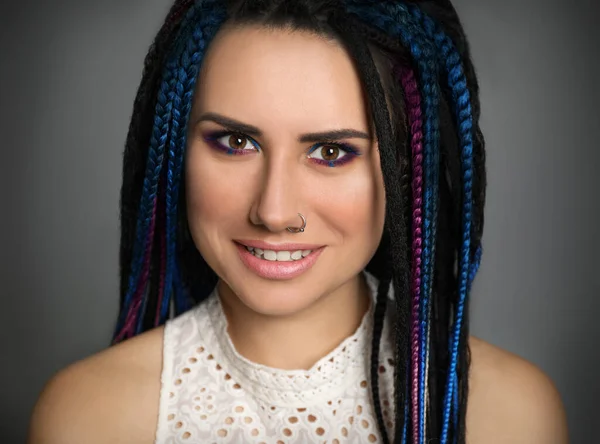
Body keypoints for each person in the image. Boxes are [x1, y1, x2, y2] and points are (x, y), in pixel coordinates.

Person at [27, 1, 568, 443]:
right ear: (175, 150)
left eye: (331, 152)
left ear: (408, 167)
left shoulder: (512, 417)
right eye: (236, 142)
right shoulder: (85, 418)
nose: (274, 211)